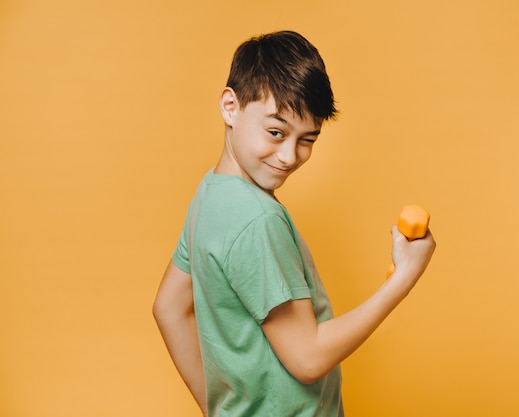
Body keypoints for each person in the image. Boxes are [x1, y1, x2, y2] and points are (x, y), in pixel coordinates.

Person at [153, 30, 436, 417]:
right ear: (230, 107)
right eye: (276, 132)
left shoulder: (210, 193)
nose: (289, 156)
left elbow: (168, 306)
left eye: (308, 139)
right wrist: (402, 279)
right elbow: (307, 359)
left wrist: (219, 409)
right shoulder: (258, 220)